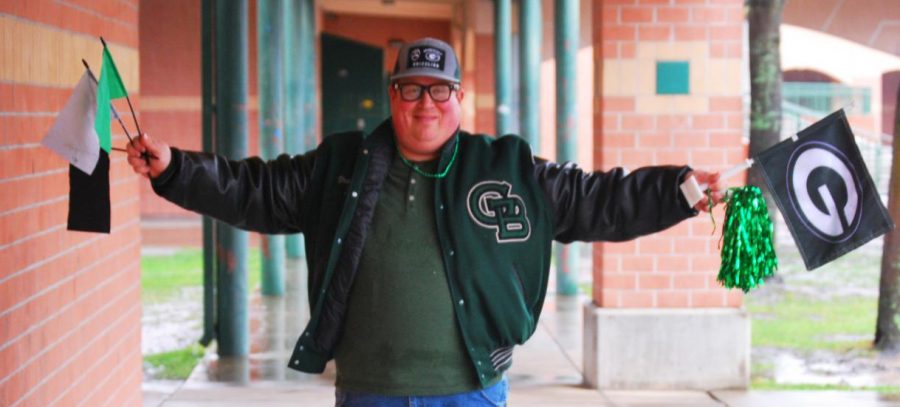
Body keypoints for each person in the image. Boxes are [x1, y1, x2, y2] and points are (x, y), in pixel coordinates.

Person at [127, 37, 724, 406]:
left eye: (441, 91)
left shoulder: (508, 166)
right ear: (392, 95)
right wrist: (177, 169)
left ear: (460, 99)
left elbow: (598, 199)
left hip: (470, 392)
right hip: (370, 391)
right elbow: (254, 190)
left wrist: (678, 190)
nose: (426, 104)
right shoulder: (339, 165)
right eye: (412, 89)